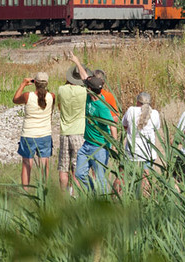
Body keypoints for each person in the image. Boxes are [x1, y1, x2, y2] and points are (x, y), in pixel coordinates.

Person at [74, 75, 117, 194]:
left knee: (100, 178)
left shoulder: (102, 107)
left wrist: (114, 146)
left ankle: (103, 202)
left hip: (100, 147)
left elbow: (113, 125)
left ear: (90, 89)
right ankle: (93, 193)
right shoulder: (89, 97)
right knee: (79, 173)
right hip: (87, 144)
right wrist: (75, 60)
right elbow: (84, 76)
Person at [13, 72, 55, 189]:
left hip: (29, 134)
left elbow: (15, 99)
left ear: (34, 82)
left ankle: (25, 191)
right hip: (45, 134)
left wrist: (23, 84)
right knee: (44, 164)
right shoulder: (51, 96)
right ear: (46, 84)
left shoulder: (28, 96)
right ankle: (44, 191)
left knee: (27, 164)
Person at [56, 52, 89, 194]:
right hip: (79, 133)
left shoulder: (61, 90)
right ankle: (74, 195)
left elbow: (59, 106)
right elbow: (88, 80)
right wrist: (77, 62)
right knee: (77, 167)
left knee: (63, 168)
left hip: (64, 133)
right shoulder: (84, 92)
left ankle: (63, 197)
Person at [121, 92, 161, 193]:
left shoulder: (131, 110)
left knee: (122, 176)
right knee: (145, 178)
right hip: (148, 152)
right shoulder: (155, 113)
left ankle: (116, 197)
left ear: (137, 101)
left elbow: (124, 125)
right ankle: (144, 200)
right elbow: (156, 129)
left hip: (132, 150)